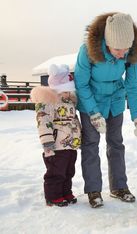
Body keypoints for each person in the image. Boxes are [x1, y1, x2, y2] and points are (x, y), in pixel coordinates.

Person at [74, 12, 137, 208]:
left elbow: (132, 86)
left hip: (115, 101)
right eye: (117, 49)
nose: (122, 54)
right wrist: (93, 113)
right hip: (91, 101)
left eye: (126, 49)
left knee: (116, 143)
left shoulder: (130, 53)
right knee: (90, 144)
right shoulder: (88, 51)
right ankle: (93, 190)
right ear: (107, 41)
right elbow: (81, 85)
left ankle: (119, 187)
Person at [31, 64, 81, 207]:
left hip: (71, 144)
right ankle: (53, 196)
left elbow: (74, 120)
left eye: (69, 91)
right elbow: (43, 121)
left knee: (68, 171)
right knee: (56, 172)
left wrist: (79, 137)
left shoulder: (69, 102)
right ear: (57, 89)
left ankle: (65, 192)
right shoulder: (48, 102)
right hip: (56, 146)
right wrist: (47, 142)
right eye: (65, 91)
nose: (67, 94)